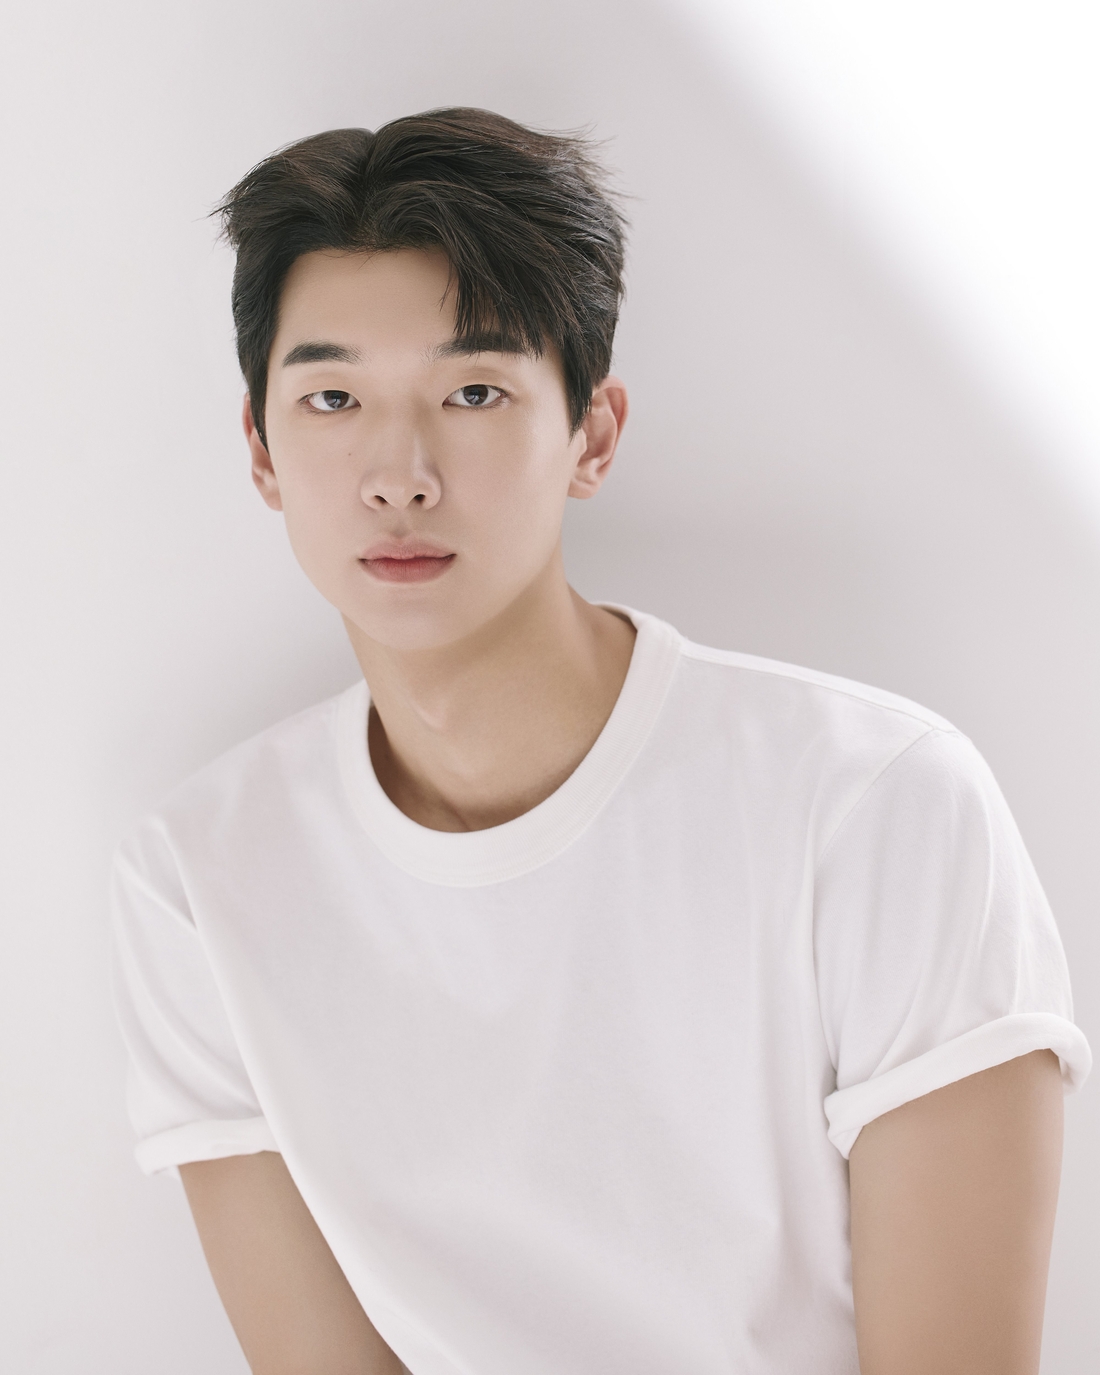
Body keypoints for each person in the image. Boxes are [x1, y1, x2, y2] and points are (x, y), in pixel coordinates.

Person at [110, 107, 1090, 1375]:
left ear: (593, 433)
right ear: (260, 449)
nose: (398, 473)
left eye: (473, 391)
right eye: (332, 397)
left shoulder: (875, 803)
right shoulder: (199, 876)